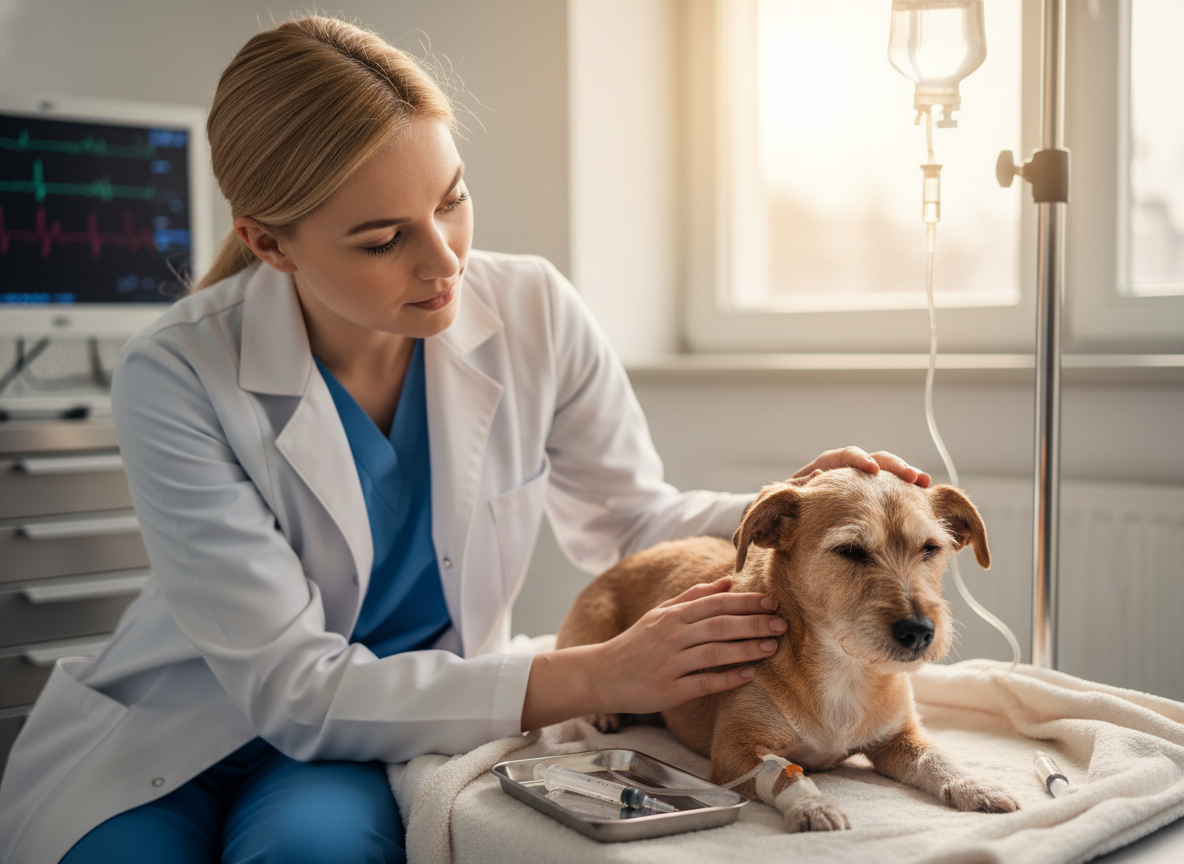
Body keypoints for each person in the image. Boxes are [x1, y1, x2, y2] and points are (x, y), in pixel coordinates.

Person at [0, 16, 930, 864]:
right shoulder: (176, 371)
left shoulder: (532, 309)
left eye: (452, 200)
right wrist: (594, 673)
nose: (446, 263)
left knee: (312, 856)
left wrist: (807, 508)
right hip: (179, 726)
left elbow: (629, 517)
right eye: (381, 240)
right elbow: (294, 688)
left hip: (388, 725)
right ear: (270, 244)